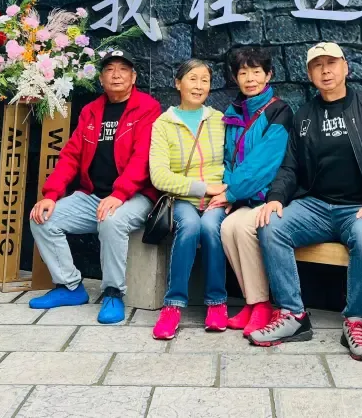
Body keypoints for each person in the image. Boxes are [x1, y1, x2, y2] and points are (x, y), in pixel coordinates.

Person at [249, 42, 362, 361]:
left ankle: (356, 321)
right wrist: (276, 198)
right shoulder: (304, 115)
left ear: (345, 67)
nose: (325, 71)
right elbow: (290, 166)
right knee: (271, 225)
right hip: (315, 205)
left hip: (360, 207)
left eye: (331, 63)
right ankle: (293, 315)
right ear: (309, 74)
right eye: (317, 65)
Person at [28, 49, 161, 323]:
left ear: (134, 77)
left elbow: (143, 158)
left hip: (135, 196)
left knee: (111, 220)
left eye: (123, 69)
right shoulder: (91, 111)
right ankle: (69, 287)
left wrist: (119, 194)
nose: (116, 75)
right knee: (42, 218)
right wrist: (51, 194)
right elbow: (70, 156)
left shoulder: (147, 108)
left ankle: (113, 293)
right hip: (93, 196)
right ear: (101, 79)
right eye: (110, 69)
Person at [148, 59, 228, 340]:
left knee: (210, 227)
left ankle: (217, 302)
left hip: (219, 199)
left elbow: (233, 160)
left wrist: (228, 192)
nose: (199, 86)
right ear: (177, 83)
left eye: (205, 80)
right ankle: (173, 305)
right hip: (182, 198)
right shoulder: (163, 124)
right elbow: (159, 175)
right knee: (191, 226)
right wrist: (203, 188)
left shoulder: (219, 119)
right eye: (192, 79)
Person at [219, 46, 293, 337]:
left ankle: (262, 305)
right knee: (227, 228)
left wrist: (230, 193)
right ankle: (253, 303)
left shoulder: (279, 111)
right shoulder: (235, 112)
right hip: (243, 197)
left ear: (268, 75)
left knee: (243, 228)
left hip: (269, 197)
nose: (250, 78)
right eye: (243, 73)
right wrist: (229, 188)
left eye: (256, 72)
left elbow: (264, 164)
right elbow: (228, 159)